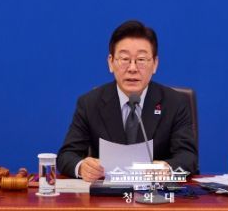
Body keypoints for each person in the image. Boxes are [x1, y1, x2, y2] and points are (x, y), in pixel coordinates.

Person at [57, 20, 198, 182]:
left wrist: (167, 169)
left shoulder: (175, 103)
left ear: (155, 64)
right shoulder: (89, 103)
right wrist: (82, 167)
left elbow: (188, 157)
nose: (132, 68)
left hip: (156, 193)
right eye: (124, 59)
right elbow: (66, 155)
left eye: (141, 59)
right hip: (107, 194)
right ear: (111, 63)